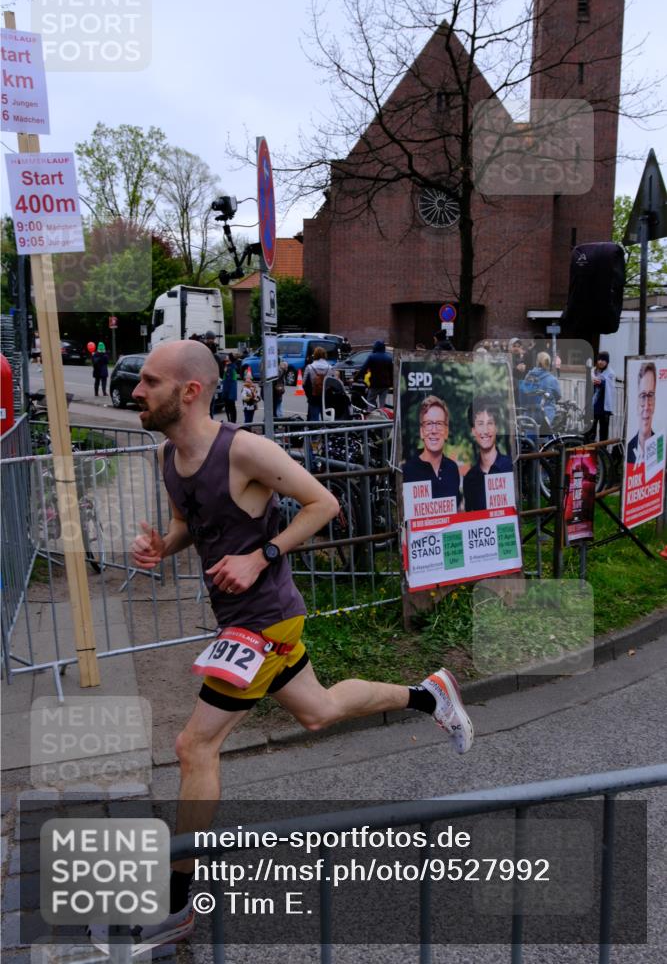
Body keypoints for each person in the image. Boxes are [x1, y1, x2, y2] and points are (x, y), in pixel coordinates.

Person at [87, 339, 474, 955]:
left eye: (150, 382)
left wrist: (262, 554)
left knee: (195, 746)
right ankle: (428, 696)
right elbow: (194, 526)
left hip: (263, 623)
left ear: (189, 391)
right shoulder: (170, 456)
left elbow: (324, 503)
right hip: (240, 621)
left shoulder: (243, 450)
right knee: (317, 710)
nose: (136, 389)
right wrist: (163, 547)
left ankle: (175, 903)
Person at [402, 395, 461, 504]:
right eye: (429, 424)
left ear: (446, 432)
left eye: (439, 424)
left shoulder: (452, 469)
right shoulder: (407, 472)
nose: (434, 430)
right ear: (421, 432)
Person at [463, 401, 514, 511]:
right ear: (473, 431)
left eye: (490, 423)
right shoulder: (469, 479)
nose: (485, 431)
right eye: (480, 424)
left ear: (496, 428)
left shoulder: (511, 467)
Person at [519, 351, 562, 427]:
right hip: (546, 416)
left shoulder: (528, 377)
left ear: (537, 362)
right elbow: (558, 395)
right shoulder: (552, 379)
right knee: (547, 437)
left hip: (529, 415)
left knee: (529, 437)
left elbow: (523, 395)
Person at [627, 361, 656, 465]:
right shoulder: (628, 448)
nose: (647, 406)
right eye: (643, 396)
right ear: (636, 402)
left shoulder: (660, 447)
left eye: (651, 395)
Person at [356, 340, 393, 408]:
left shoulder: (372, 357)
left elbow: (363, 369)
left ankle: (371, 416)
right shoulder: (389, 358)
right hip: (385, 384)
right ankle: (383, 416)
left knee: (370, 401)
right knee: (382, 402)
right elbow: (391, 372)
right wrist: (391, 383)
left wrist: (356, 378)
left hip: (374, 384)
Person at [589, 351, 616, 443]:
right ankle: (590, 450)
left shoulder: (610, 373)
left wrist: (602, 383)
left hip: (605, 408)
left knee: (603, 432)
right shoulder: (593, 371)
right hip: (594, 406)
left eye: (603, 360)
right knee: (591, 430)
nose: (600, 362)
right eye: (599, 359)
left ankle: (602, 452)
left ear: (607, 362)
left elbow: (611, 387)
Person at [303, 345, 332, 421]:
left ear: (315, 355)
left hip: (313, 396)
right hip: (326, 396)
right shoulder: (330, 367)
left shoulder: (309, 367)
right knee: (326, 419)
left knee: (314, 419)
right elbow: (333, 383)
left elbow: (304, 383)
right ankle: (325, 432)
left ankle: (315, 431)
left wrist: (308, 395)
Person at [220, 353, 238, 423]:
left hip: (230, 391)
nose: (225, 357)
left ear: (230, 358)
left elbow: (231, 381)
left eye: (227, 357)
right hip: (226, 390)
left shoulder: (232, 367)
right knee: (228, 407)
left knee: (231, 406)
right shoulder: (227, 366)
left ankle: (233, 421)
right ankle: (230, 420)